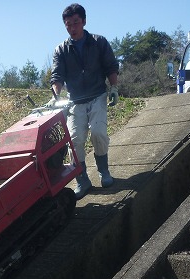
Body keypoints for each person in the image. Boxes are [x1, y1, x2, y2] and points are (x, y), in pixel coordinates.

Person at [50, 3, 119, 199]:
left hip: (97, 95)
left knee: (98, 132)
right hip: (74, 101)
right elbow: (57, 76)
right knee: (74, 140)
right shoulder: (61, 50)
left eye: (76, 23)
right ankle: (82, 180)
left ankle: (104, 171)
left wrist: (113, 88)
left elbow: (110, 66)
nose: (72, 28)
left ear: (84, 22)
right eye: (68, 25)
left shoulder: (99, 42)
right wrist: (56, 97)